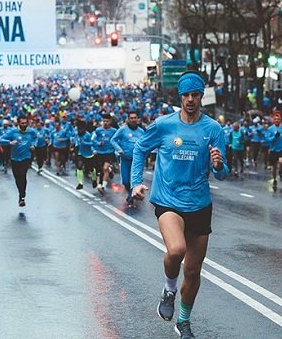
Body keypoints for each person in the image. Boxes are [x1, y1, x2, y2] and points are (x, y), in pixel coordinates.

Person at [130, 72, 228, 339]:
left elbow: (221, 172)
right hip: (168, 200)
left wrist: (219, 165)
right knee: (176, 250)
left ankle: (183, 322)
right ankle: (168, 289)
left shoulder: (213, 130)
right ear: (180, 97)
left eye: (195, 95)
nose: (190, 100)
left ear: (201, 97)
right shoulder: (164, 125)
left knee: (194, 271)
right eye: (186, 95)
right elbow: (139, 149)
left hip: (199, 204)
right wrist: (135, 183)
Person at [0, 117, 39, 206]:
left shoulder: (31, 131)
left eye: (26, 123)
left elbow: (35, 138)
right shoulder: (12, 132)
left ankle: (22, 196)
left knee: (23, 174)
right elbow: (1, 140)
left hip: (26, 157)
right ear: (18, 123)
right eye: (22, 123)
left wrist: (34, 145)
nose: (24, 125)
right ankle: (20, 193)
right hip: (15, 158)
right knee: (17, 178)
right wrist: (9, 143)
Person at [111, 111, 145, 207]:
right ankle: (129, 192)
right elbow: (113, 140)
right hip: (125, 159)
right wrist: (119, 149)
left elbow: (145, 144)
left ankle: (130, 197)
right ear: (128, 119)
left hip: (137, 161)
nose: (133, 120)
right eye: (131, 118)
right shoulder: (122, 130)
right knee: (126, 181)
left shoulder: (141, 132)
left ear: (138, 119)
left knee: (134, 180)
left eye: (135, 118)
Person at [92, 114, 118, 194]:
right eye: (104, 121)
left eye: (107, 121)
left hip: (109, 152)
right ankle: (110, 170)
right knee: (101, 169)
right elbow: (93, 139)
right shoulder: (98, 130)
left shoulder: (114, 131)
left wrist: (115, 148)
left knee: (105, 168)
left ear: (110, 122)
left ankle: (103, 187)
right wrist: (98, 143)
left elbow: (117, 140)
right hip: (99, 152)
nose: (105, 123)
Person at [265, 112, 282, 190]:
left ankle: (281, 171)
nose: (277, 120)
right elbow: (267, 139)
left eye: (278, 119)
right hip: (273, 149)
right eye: (275, 119)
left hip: (281, 148)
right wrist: (274, 137)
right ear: (273, 120)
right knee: (274, 167)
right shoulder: (270, 129)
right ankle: (275, 180)